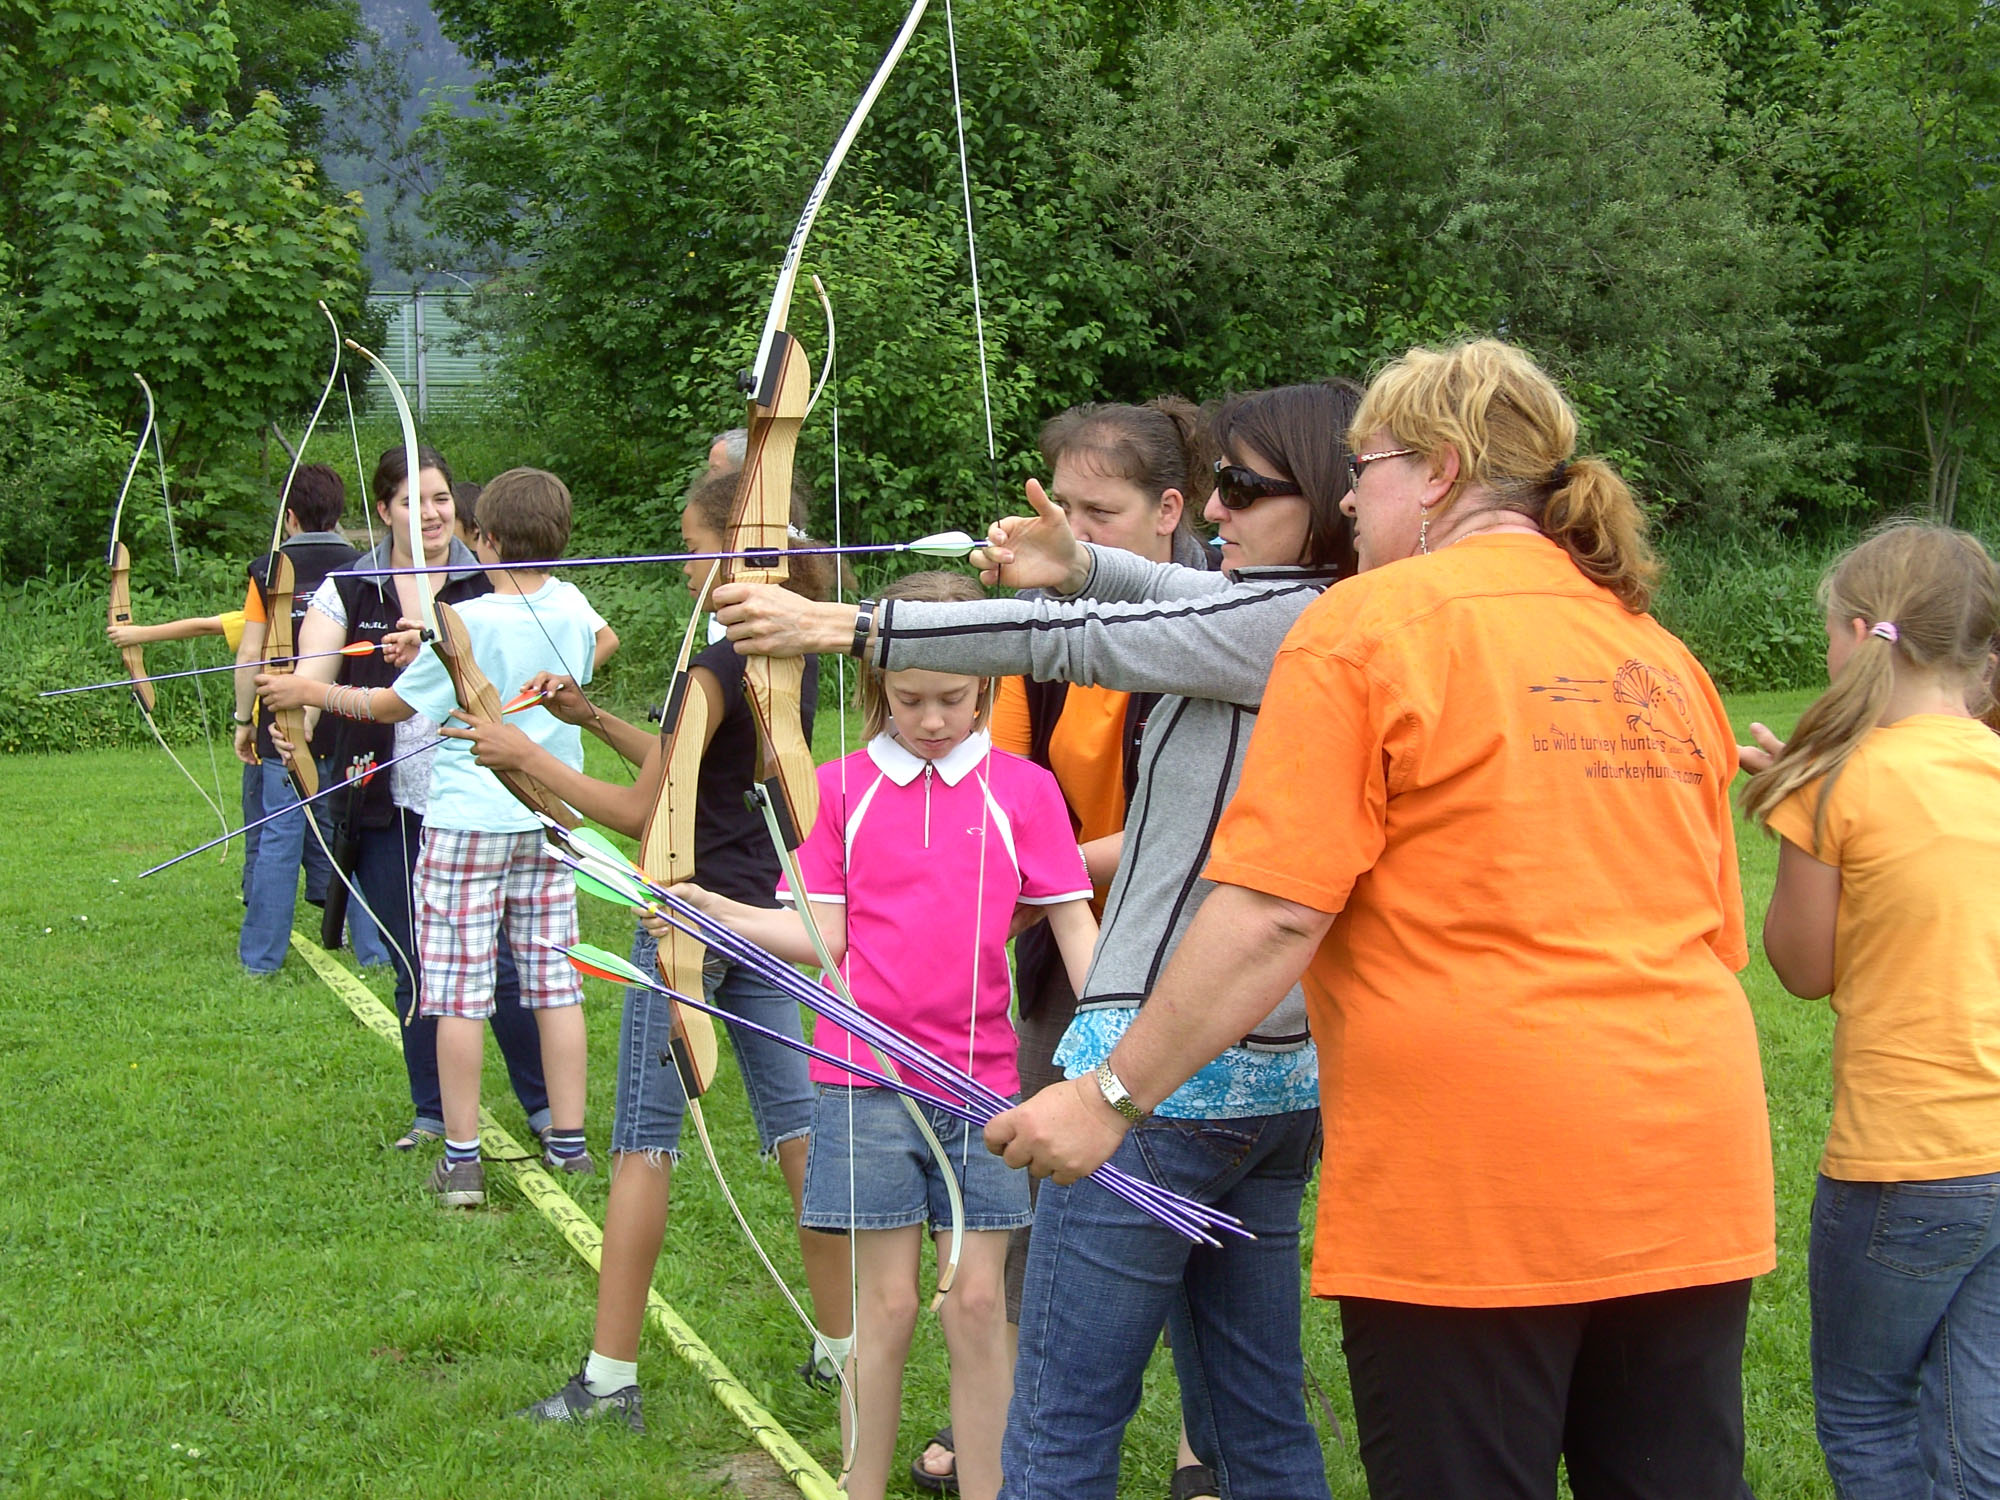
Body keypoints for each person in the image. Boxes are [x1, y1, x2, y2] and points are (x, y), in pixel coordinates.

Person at [985, 339, 1776, 1500]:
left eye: (1364, 469)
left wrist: (1107, 1096)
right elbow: (1713, 934)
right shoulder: (1653, 652)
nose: (1347, 500)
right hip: (1689, 1159)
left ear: (1440, 471)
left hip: (1475, 1183)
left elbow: (1270, 912)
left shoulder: (1364, 626)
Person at [713, 381, 1362, 1500]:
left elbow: (1080, 641)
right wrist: (1084, 560)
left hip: (1167, 1077)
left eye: (1243, 488)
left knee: (1057, 1427)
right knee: (1254, 1419)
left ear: (1325, 500)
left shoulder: (1285, 626)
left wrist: (849, 626)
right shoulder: (1325, 615)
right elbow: (1159, 594)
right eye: (1218, 484)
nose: (1217, 508)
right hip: (1266, 1077)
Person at [444, 466, 853, 1431]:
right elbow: (689, 775)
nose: (682, 565)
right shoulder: (781, 649)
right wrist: (589, 721)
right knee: (797, 1129)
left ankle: (608, 1379)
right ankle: (844, 1348)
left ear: (735, 552)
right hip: (758, 912)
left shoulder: (710, 667)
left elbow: (642, 814)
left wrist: (524, 755)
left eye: (692, 546)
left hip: (688, 923)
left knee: (643, 1145)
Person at [684, 570, 1098, 1500]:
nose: (932, 719)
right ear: (877, 687)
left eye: (953, 697)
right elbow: (823, 936)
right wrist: (717, 910)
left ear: (986, 683)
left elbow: (1075, 928)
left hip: (983, 1088)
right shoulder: (838, 789)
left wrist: (1119, 1051)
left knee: (978, 1302)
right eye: (909, 699)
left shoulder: (1024, 791)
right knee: (889, 1306)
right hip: (862, 1085)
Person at [918, 396, 1220, 1499]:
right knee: (1047, 1167)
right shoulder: (1051, 625)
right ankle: (999, 1416)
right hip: (1070, 939)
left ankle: (1204, 1446)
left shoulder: (1218, 620)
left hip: (1201, 941)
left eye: (1102, 512)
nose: (1074, 532)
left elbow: (1198, 822)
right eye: (1065, 508)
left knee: (1197, 1189)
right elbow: (1001, 782)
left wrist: (1047, 871)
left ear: (1169, 512)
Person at [1742, 524, 2000, 1498]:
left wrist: (1800, 811)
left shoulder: (1833, 782)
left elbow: (1803, 969)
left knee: (1865, 1411)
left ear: (1857, 635)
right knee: (1974, 1434)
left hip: (1903, 1161)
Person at [271, 466, 602, 1206]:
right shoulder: (574, 606)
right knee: (556, 986)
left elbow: (389, 708)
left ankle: (461, 1161)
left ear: (485, 539)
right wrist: (524, 679)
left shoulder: (464, 622)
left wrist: (307, 691)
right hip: (547, 820)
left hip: (466, 823)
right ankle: (570, 1144)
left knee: (455, 993)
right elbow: (599, 643)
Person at [231, 463, 357, 974]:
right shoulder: (363, 566)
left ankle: (261, 959)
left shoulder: (269, 569)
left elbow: (249, 654)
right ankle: (372, 947)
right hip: (348, 717)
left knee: (280, 833)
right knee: (350, 827)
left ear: (290, 516)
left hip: (281, 723)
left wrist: (244, 719)